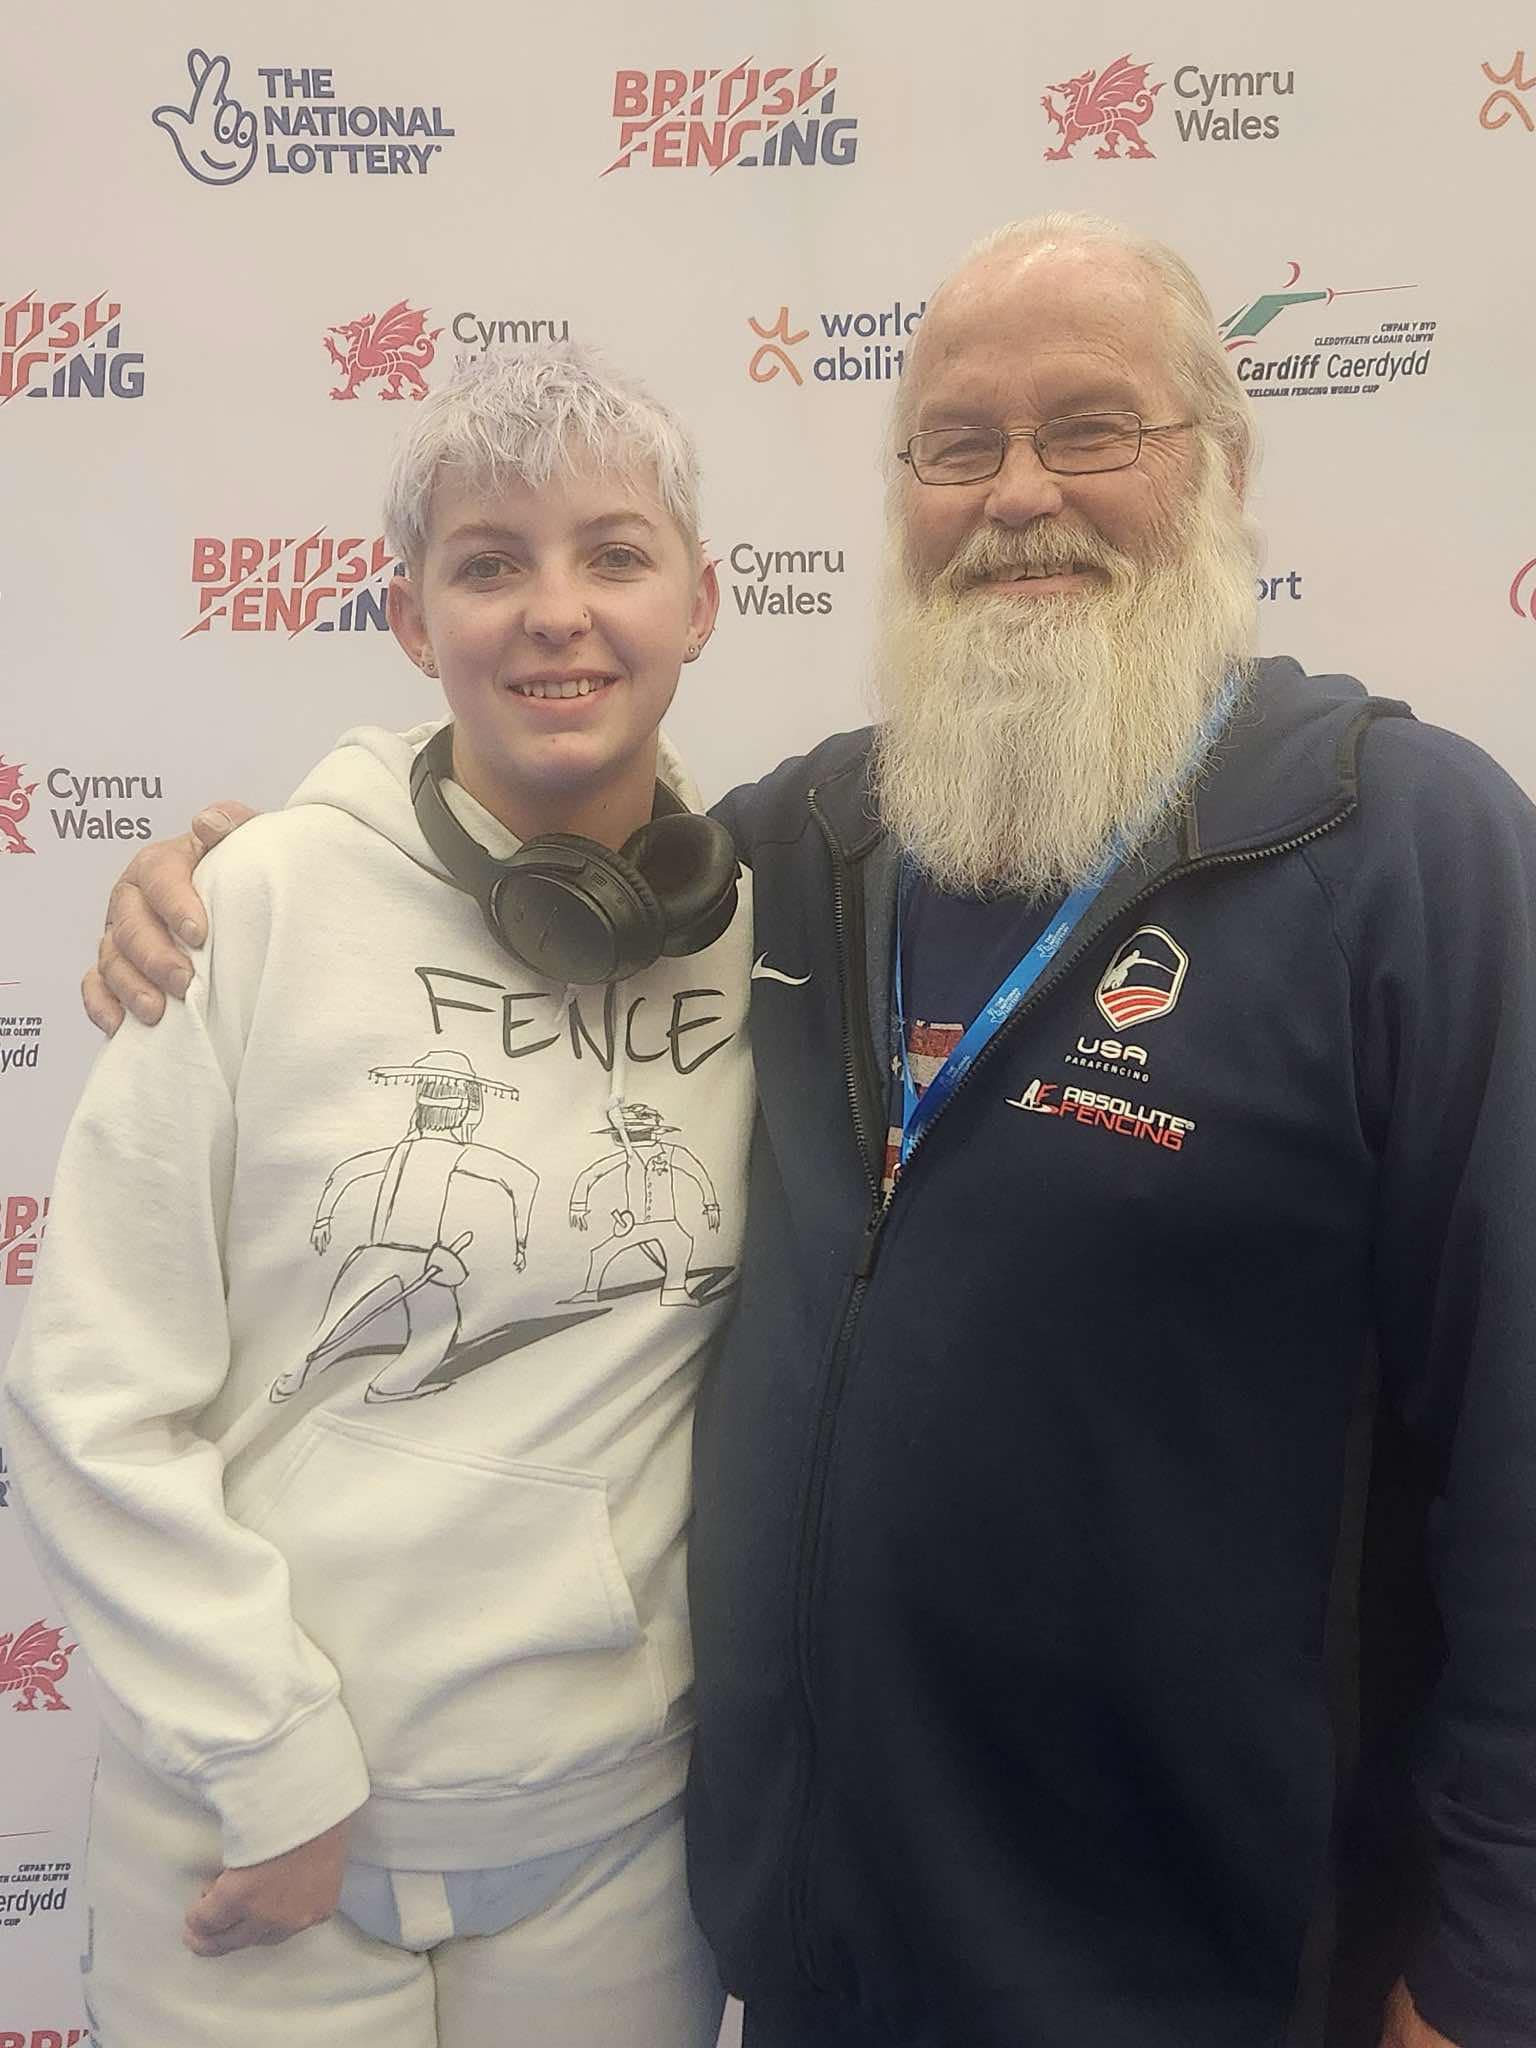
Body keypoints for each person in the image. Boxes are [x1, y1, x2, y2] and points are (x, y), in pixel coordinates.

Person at [76, 212, 1536, 2048]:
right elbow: (528, 855)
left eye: (1092, 430)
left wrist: (1491, 1962)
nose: (1018, 496)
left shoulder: (1404, 848)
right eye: (955, 445)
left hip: (1215, 1956)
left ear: (1222, 471)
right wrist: (237, 873)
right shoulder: (806, 849)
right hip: (820, 1939)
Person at [5, 344, 755, 2047]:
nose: (555, 611)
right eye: (491, 564)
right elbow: (91, 1396)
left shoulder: (773, 931)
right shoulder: (246, 908)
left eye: (613, 556)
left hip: (617, 1852)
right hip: (259, 1843)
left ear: (703, 601)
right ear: (413, 624)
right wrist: (271, 1760)